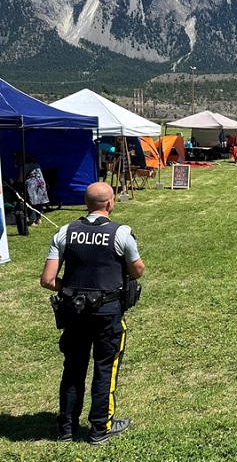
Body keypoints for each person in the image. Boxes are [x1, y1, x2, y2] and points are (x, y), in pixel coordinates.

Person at [40, 182, 145, 444]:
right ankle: (100, 428)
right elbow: (138, 270)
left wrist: (73, 289)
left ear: (87, 204)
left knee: (73, 368)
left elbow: (48, 280)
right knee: (105, 368)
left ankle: (66, 427)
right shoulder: (121, 233)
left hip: (74, 311)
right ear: (110, 203)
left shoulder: (65, 232)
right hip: (108, 310)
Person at [16, 153, 49, 226]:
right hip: (41, 183)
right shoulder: (36, 164)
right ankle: (39, 218)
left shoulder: (24, 166)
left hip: (32, 185)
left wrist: (16, 182)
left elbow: (21, 179)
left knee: (31, 202)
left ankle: (32, 220)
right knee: (39, 201)